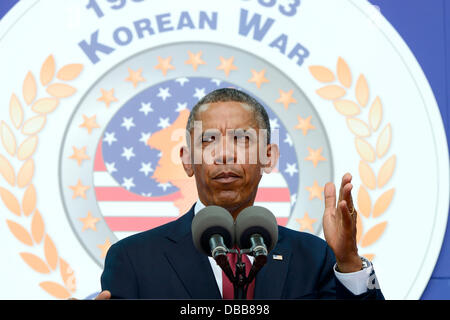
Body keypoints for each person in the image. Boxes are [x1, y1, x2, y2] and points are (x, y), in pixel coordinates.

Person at [98, 88, 384, 299]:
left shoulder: (312, 257)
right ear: (187, 159)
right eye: (208, 140)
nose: (224, 154)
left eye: (242, 139)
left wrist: (348, 262)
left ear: (269, 157)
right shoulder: (133, 259)